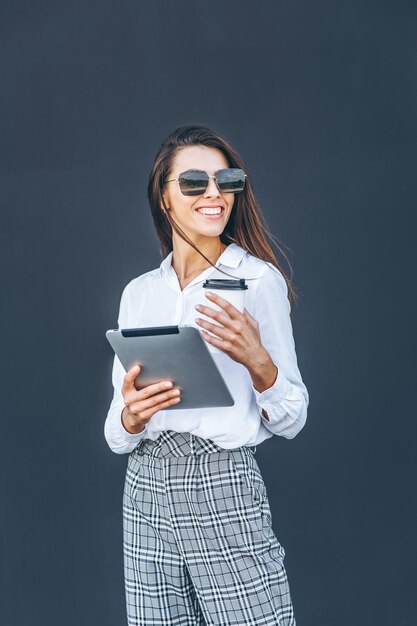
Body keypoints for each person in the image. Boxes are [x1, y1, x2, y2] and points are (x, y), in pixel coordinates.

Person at [104, 124, 309, 626]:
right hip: (147, 485)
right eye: (195, 182)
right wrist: (131, 417)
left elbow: (292, 418)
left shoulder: (257, 282)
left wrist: (258, 362)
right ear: (165, 197)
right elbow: (115, 435)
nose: (214, 194)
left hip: (222, 481)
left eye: (226, 181)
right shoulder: (139, 294)